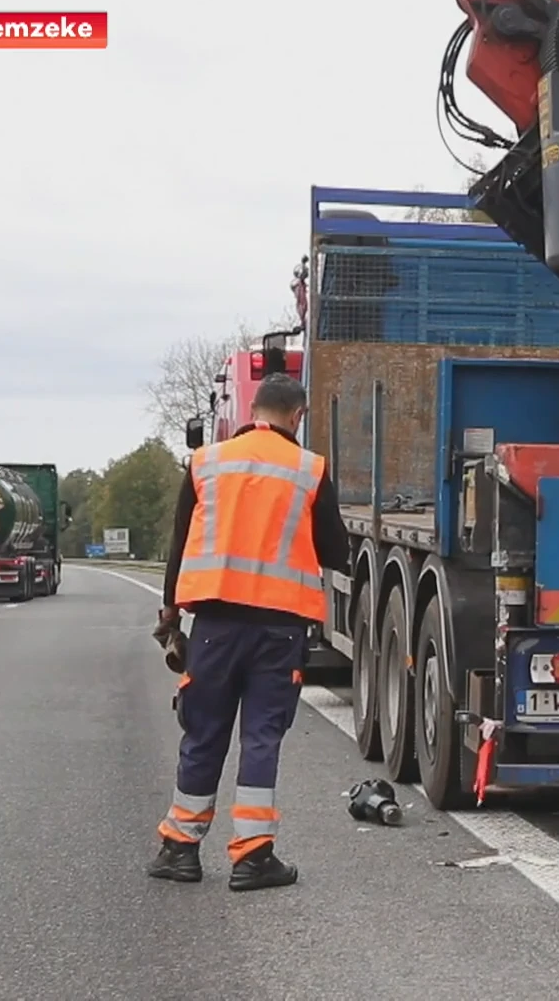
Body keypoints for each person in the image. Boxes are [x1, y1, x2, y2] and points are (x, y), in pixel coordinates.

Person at [146, 373, 349, 891]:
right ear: (298, 417)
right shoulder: (309, 469)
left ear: (253, 410)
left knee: (204, 731)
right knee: (261, 735)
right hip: (279, 629)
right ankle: (253, 857)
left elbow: (179, 545)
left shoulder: (206, 462)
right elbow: (335, 551)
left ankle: (180, 849)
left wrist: (170, 614)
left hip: (214, 625)